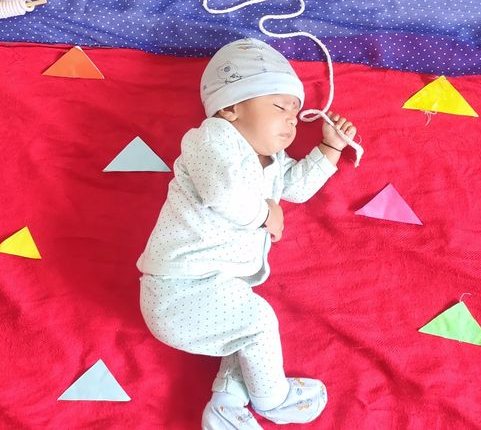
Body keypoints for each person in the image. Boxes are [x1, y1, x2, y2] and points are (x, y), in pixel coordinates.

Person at [137, 37, 357, 429]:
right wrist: (263, 215)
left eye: (296, 112)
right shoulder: (212, 138)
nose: (292, 119)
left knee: (245, 336)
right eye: (280, 106)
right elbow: (224, 192)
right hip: (180, 286)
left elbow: (295, 188)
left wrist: (330, 149)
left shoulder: (270, 160)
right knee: (257, 322)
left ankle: (228, 404)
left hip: (211, 286)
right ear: (231, 107)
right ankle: (273, 399)